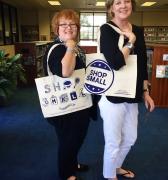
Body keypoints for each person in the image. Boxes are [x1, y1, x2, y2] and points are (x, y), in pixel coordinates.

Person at [98, 0, 155, 179]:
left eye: (127, 1)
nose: (123, 6)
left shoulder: (138, 30)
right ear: (111, 8)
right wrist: (130, 42)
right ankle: (109, 175)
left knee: (130, 138)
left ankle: (116, 167)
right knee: (113, 141)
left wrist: (146, 92)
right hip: (112, 95)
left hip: (132, 93)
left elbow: (142, 65)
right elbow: (115, 63)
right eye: (118, 2)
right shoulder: (106, 30)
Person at [43, 9, 91, 180]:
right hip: (66, 107)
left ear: (77, 28)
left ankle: (72, 163)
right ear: (57, 29)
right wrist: (70, 46)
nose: (68, 27)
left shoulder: (75, 47)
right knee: (68, 141)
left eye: (72, 24)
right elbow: (65, 72)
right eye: (63, 24)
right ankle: (66, 174)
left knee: (76, 138)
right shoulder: (58, 48)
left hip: (78, 103)